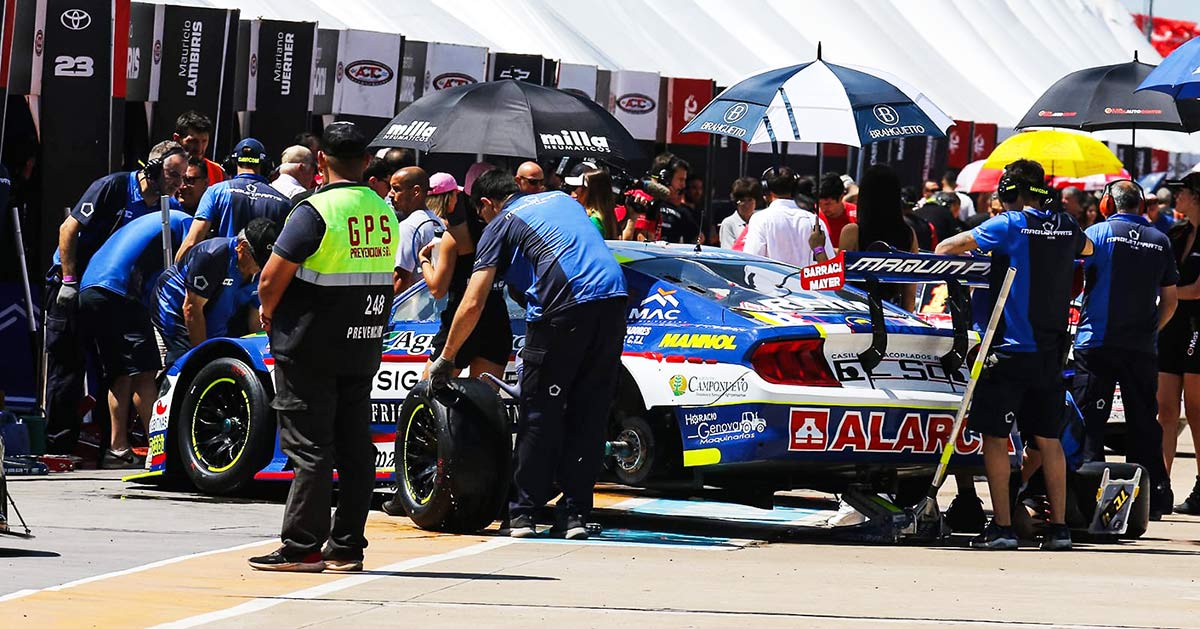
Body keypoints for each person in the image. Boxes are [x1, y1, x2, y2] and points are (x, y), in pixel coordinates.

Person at [428, 170, 627, 540]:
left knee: (540, 411)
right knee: (589, 411)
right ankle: (576, 515)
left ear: (486, 204)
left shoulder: (501, 222)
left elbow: (474, 300)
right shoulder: (565, 200)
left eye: (482, 213)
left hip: (563, 308)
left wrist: (447, 356)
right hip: (614, 300)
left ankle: (524, 514)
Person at [249, 122, 397, 573]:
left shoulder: (314, 211)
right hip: (362, 343)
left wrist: (268, 310)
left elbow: (272, 277)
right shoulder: (383, 211)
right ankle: (347, 546)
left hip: (310, 344)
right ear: (366, 162)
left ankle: (302, 547)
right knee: (355, 447)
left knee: (310, 448)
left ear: (320, 163)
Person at [936, 159, 1093, 551]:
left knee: (995, 436)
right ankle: (1058, 530)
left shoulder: (1008, 224)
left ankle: (1003, 527)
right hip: (1051, 353)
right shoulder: (1066, 225)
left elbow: (945, 248)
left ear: (1008, 191)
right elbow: (1087, 247)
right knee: (1049, 438)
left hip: (1008, 351)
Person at [44, 141, 187, 454]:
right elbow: (68, 229)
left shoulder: (170, 209)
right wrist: (68, 280)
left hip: (117, 294)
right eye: (172, 174)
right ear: (152, 168)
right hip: (72, 281)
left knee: (119, 370)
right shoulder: (113, 187)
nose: (178, 183)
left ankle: (112, 446)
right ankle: (58, 447)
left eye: (183, 177)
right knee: (68, 365)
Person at [1071, 180, 1177, 519]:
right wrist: (1151, 330)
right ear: (1142, 205)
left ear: (1106, 204)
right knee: (1144, 422)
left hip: (1097, 343)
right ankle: (1156, 497)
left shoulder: (1097, 234)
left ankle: (1088, 498)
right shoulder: (1160, 240)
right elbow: (1170, 300)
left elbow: (1074, 279)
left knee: (1091, 421)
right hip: (1141, 347)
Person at [78, 210, 193, 467]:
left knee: (125, 372)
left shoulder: (161, 218)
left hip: (94, 288)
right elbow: (186, 264)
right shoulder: (186, 222)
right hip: (118, 291)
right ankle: (155, 448)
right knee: (143, 372)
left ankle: (124, 448)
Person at [153, 218, 278, 366]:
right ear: (242, 247)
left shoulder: (262, 272)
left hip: (214, 313)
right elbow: (191, 309)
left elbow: (255, 320)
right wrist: (205, 359)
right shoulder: (212, 256)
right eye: (259, 261)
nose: (261, 267)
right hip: (175, 306)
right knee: (189, 362)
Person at [1158, 173, 1200, 515]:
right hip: (1171, 326)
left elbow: (1197, 290)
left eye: (1180, 192)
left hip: (1198, 327)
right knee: (1165, 409)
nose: (1175, 198)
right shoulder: (1175, 233)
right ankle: (1160, 484)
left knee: (1197, 411)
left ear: (1196, 196)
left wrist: (1163, 298)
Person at [175, 138, 290, 262]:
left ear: (231, 164)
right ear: (266, 165)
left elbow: (192, 242)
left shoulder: (216, 192)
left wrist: (174, 274)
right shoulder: (283, 202)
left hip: (221, 273)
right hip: (262, 277)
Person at [837, 164, 918, 311]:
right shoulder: (908, 234)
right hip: (892, 315)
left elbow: (837, 281)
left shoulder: (852, 232)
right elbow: (909, 291)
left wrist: (818, 248)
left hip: (857, 314)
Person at [743, 166, 833, 267]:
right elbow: (830, 265)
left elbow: (751, 261)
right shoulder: (815, 221)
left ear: (766, 189)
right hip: (805, 282)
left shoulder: (759, 219)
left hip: (771, 282)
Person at [390, 167, 440, 293]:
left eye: (397, 189)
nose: (390, 194)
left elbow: (401, 280)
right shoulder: (438, 222)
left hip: (413, 309)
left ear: (415, 191)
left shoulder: (409, 227)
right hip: (435, 306)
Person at [651, 153, 700, 244]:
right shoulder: (643, 200)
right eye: (681, 180)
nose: (683, 185)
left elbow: (698, 237)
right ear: (665, 177)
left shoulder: (683, 212)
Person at [566, 163, 619, 239]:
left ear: (590, 191)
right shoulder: (607, 215)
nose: (573, 192)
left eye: (575, 187)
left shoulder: (593, 221)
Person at [172, 111, 225, 185]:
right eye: (193, 141)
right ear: (177, 139)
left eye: (204, 141)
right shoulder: (163, 169)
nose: (199, 148)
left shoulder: (216, 171)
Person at [818, 172, 856, 248]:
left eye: (827, 204)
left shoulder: (856, 216)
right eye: (819, 203)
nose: (823, 209)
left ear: (841, 197)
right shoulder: (814, 216)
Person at [719, 177, 760, 249]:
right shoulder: (728, 223)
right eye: (742, 201)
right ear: (736, 202)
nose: (747, 205)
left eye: (750, 200)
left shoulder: (760, 221)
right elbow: (728, 251)